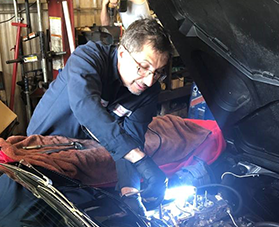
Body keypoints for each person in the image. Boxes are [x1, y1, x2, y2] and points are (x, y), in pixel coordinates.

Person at [26, 18, 173, 215]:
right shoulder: (87, 59)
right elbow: (86, 107)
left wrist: (130, 193)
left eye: (157, 72)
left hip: (85, 158)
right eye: (143, 67)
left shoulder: (148, 90)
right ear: (122, 53)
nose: (149, 80)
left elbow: (131, 138)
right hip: (43, 151)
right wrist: (140, 159)